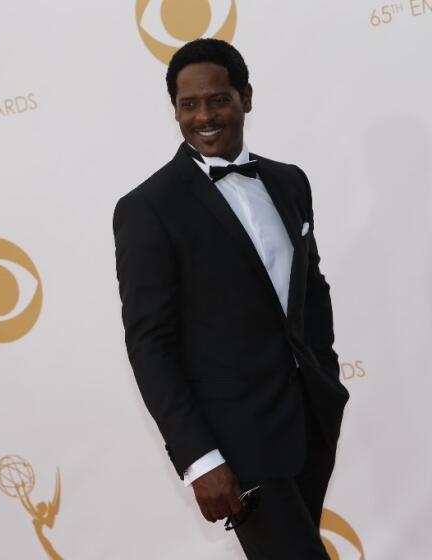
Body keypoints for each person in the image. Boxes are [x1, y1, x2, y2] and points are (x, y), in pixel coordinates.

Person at [113, 38, 349, 558]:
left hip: (309, 423)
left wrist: (325, 375)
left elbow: (310, 289)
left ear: (246, 96)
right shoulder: (148, 208)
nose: (204, 117)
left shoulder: (289, 182)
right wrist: (200, 459)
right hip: (236, 444)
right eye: (188, 105)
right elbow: (150, 345)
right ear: (174, 109)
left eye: (218, 99)